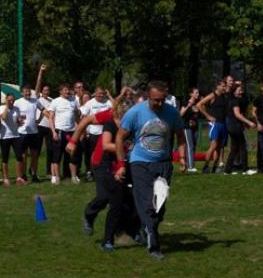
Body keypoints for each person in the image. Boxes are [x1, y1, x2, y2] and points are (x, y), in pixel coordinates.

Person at [115, 80, 185, 260]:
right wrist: (121, 164)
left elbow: (180, 135)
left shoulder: (172, 112)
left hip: (163, 164)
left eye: (162, 100)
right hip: (140, 164)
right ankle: (154, 246)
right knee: (148, 205)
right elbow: (120, 137)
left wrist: (182, 158)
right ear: (148, 96)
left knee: (159, 207)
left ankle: (144, 227)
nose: (159, 104)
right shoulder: (135, 112)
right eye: (155, 100)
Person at [79, 101, 142, 251]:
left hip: (122, 164)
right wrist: (125, 148)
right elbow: (106, 145)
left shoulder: (132, 126)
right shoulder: (110, 124)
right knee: (108, 198)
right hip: (103, 164)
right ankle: (91, 217)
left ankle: (129, 229)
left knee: (132, 200)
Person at [46, 84, 81, 184]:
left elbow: (77, 116)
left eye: (68, 90)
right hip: (59, 131)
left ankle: (74, 176)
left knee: (73, 154)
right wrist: (53, 132)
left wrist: (79, 129)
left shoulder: (74, 100)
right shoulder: (55, 101)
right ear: (60, 91)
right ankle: (56, 177)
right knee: (57, 155)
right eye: (65, 90)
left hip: (71, 132)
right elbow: (50, 118)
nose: (67, 92)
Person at [15, 81, 45, 183]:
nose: (27, 93)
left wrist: (39, 120)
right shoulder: (17, 102)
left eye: (29, 91)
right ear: (21, 92)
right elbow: (14, 115)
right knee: (23, 156)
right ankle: (23, 175)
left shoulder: (35, 101)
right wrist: (18, 121)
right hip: (22, 133)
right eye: (25, 92)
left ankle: (34, 174)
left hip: (34, 132)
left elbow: (43, 110)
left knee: (35, 155)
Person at [196, 80, 228, 173]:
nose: (224, 88)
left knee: (219, 147)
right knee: (213, 145)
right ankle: (206, 166)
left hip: (223, 123)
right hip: (215, 124)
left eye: (225, 86)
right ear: (218, 86)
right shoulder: (212, 95)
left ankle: (215, 167)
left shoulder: (224, 96)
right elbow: (199, 105)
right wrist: (208, 116)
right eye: (223, 86)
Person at [81, 87, 112, 181]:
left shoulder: (107, 102)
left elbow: (116, 106)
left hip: (105, 132)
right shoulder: (90, 103)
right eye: (99, 93)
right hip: (94, 132)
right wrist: (84, 131)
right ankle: (92, 171)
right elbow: (83, 116)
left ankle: (104, 171)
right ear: (95, 93)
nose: (101, 95)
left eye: (102, 93)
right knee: (94, 153)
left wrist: (109, 96)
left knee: (105, 153)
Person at [223, 83, 255, 174]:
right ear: (234, 92)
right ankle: (245, 169)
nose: (241, 92)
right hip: (235, 127)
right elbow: (237, 114)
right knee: (243, 147)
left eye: (241, 90)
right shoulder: (235, 101)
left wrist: (245, 124)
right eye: (239, 90)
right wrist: (249, 122)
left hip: (232, 126)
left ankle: (227, 170)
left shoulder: (234, 100)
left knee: (234, 148)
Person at [0, 93, 22, 185]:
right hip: (5, 136)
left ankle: (19, 178)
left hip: (15, 135)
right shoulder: (2, 108)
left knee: (19, 156)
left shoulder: (17, 109)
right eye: (9, 100)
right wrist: (7, 106)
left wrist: (20, 122)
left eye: (13, 100)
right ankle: (6, 179)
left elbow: (18, 121)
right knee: (5, 158)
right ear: (6, 100)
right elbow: (4, 117)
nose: (11, 102)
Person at [178, 87, 201, 173]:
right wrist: (188, 106)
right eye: (196, 93)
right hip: (187, 127)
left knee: (193, 146)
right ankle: (191, 167)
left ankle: (190, 165)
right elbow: (181, 114)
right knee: (189, 146)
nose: (197, 94)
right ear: (191, 94)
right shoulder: (186, 103)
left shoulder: (197, 103)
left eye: (198, 93)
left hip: (195, 127)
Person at [37, 82, 55, 181]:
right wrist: (40, 74)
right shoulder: (38, 99)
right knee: (37, 150)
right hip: (40, 126)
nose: (46, 92)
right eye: (44, 90)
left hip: (49, 127)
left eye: (48, 90)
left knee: (50, 150)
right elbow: (37, 85)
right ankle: (34, 171)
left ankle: (49, 172)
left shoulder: (52, 101)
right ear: (41, 91)